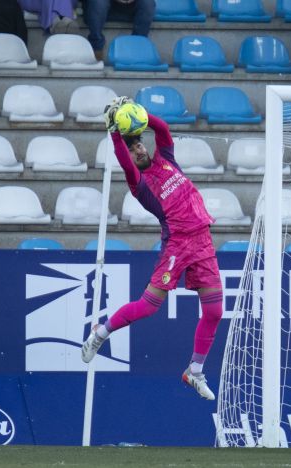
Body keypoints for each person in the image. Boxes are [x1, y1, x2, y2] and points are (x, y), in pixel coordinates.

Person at [80, 97, 223, 401]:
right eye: (133, 149)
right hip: (178, 244)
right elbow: (123, 157)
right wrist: (116, 132)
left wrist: (139, 113)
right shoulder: (140, 183)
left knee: (215, 310)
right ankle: (100, 333)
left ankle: (194, 371)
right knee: (148, 306)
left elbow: (162, 129)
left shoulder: (166, 159)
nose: (139, 149)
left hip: (203, 240)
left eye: (139, 145)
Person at [84, 0, 155, 61]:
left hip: (130, 6)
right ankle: (96, 49)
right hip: (101, 5)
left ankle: (137, 48)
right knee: (98, 3)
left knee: (148, 3)